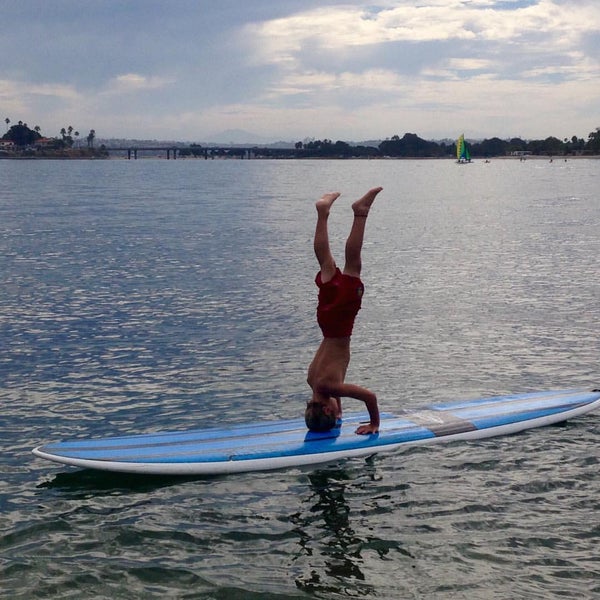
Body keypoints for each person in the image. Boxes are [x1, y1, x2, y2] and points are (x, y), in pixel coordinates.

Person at [305, 187, 382, 435]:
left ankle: (360, 213)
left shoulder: (329, 387)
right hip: (326, 323)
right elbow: (330, 392)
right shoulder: (313, 380)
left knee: (353, 265)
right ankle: (322, 212)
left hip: (340, 323)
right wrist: (337, 409)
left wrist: (374, 424)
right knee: (326, 263)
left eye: (334, 411)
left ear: (328, 409)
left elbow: (369, 397)